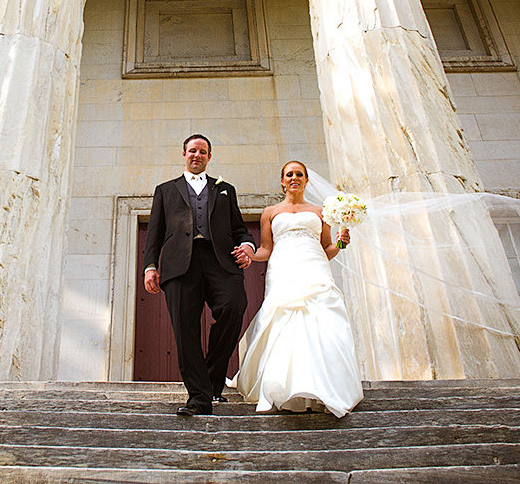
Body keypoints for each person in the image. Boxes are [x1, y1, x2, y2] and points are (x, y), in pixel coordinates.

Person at [228, 160, 364, 417]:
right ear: (282, 181)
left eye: (299, 174)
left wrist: (341, 243)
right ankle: (282, 385)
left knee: (321, 318)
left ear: (306, 180)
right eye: (289, 174)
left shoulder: (321, 210)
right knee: (283, 319)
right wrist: (248, 255)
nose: (294, 178)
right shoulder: (269, 212)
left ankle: (326, 387)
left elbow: (326, 250)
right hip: (282, 269)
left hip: (314, 267)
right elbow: (267, 249)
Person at [143, 134, 255, 416]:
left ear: (209, 157)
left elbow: (240, 228)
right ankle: (199, 398)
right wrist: (150, 266)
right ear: (183, 154)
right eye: (192, 151)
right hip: (180, 265)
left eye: (203, 152)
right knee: (186, 330)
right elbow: (155, 232)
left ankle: (212, 379)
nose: (197, 155)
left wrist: (248, 246)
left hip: (220, 261)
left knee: (234, 306)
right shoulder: (166, 190)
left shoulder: (225, 190)